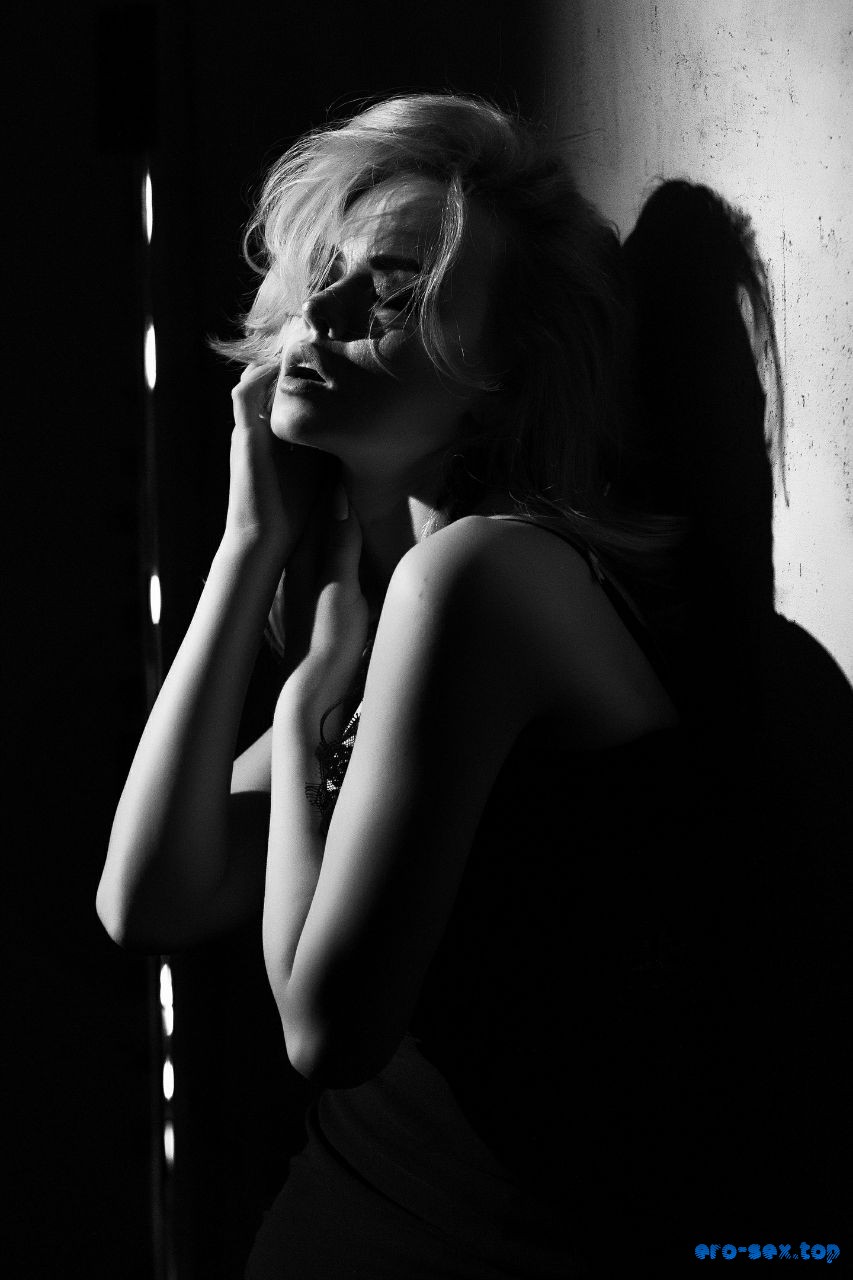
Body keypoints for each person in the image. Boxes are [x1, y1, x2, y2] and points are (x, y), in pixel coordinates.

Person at [98, 94, 758, 1277]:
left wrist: (300, 705)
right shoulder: (394, 602)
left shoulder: (483, 578)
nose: (321, 313)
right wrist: (247, 547)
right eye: (324, 273)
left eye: (392, 289)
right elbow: (147, 896)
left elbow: (323, 1027)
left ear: (505, 366)